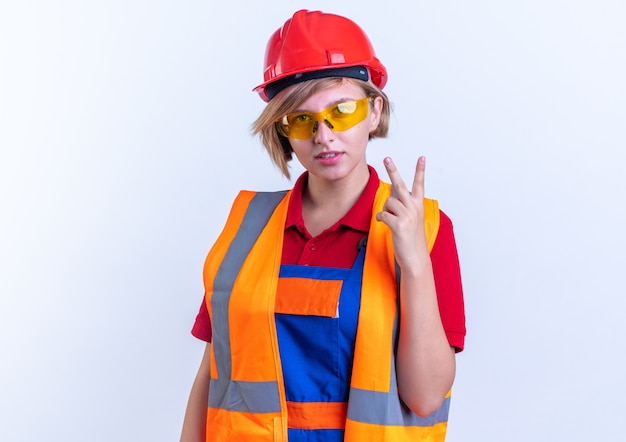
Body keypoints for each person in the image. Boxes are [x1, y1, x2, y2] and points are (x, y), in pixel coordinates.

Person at [180, 9, 466, 442]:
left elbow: (425, 397)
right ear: (282, 131)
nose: (323, 134)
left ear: (374, 113)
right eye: (301, 118)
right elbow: (211, 376)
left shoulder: (425, 229)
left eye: (342, 110)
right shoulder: (248, 228)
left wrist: (414, 263)